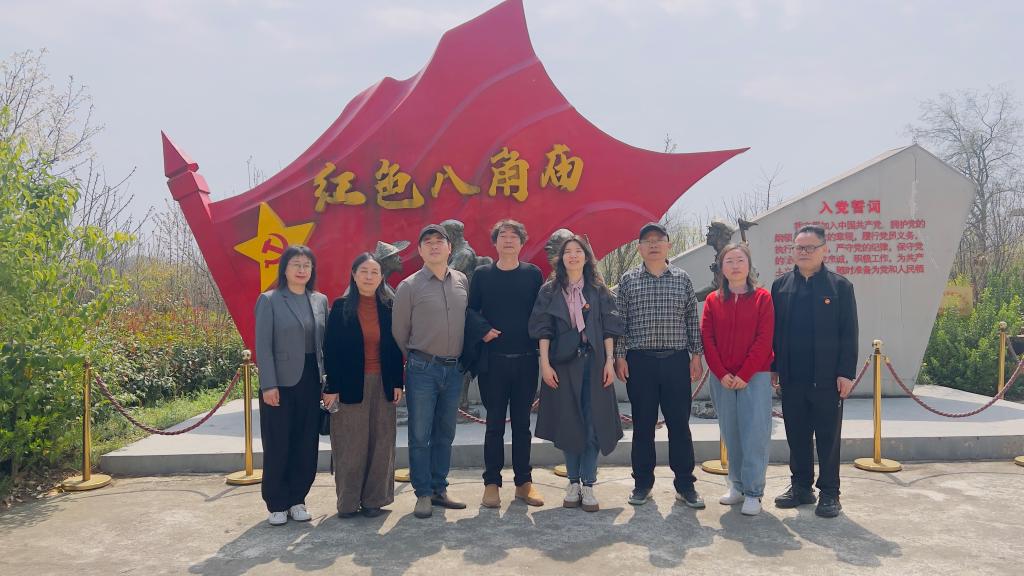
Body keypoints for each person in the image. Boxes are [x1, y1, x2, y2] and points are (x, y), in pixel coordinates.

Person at [614, 222, 706, 510]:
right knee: (643, 426)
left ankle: (685, 485)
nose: (653, 244)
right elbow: (621, 322)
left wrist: (696, 355)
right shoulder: (628, 280)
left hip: (676, 361)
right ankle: (643, 483)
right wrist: (619, 356)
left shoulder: (682, 279)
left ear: (668, 245)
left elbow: (691, 319)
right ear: (639, 248)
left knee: (679, 425)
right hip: (639, 362)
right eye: (647, 241)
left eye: (658, 239)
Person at [529, 235, 624, 512]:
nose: (573, 255)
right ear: (561, 258)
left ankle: (589, 484)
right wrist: (545, 365)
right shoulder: (549, 290)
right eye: (567, 251)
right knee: (568, 423)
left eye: (578, 251)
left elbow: (609, 328)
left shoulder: (598, 290)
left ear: (586, 257)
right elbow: (543, 329)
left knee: (594, 423)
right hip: (562, 364)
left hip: (594, 363)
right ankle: (572, 482)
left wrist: (609, 362)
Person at [771, 224, 858, 518]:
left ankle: (830, 493)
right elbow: (775, 331)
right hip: (792, 376)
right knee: (796, 435)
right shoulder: (781, 286)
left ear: (824, 250)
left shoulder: (839, 287)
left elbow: (849, 333)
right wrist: (774, 367)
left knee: (827, 437)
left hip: (827, 378)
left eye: (810, 247)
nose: (804, 252)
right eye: (799, 248)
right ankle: (801, 487)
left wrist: (846, 373)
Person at [392, 224, 470, 519]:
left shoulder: (461, 280)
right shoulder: (409, 286)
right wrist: (420, 357)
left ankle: (439, 488)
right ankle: (423, 493)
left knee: (445, 433)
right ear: (420, 250)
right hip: (422, 369)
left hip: (454, 370)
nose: (435, 246)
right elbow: (399, 333)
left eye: (440, 241)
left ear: (450, 248)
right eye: (428, 242)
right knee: (420, 434)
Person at [467, 219, 544, 508]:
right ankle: (491, 483)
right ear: (495, 242)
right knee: (494, 425)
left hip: (526, 361)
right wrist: (483, 329)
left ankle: (524, 482)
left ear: (522, 243)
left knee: (522, 425)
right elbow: (470, 310)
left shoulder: (533, 275)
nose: (508, 240)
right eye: (503, 235)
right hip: (493, 363)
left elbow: (542, 312)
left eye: (514, 236)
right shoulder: (482, 275)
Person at [322, 253, 404, 519]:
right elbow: (330, 350)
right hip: (349, 386)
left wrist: (397, 382)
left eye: (374, 272)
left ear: (381, 277)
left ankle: (374, 500)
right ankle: (347, 502)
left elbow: (394, 348)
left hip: (383, 383)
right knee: (351, 444)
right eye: (364, 272)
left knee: (382, 443)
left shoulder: (388, 307)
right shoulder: (341, 307)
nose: (369, 277)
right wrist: (331, 387)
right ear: (354, 275)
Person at [253, 244, 328, 526]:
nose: (301, 270)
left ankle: (298, 499)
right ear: (284, 268)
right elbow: (263, 346)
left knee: (306, 442)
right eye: (296, 264)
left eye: (306, 265)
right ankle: (277, 503)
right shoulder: (270, 300)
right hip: (281, 384)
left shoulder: (320, 300)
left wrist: (327, 382)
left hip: (310, 379)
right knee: (278, 442)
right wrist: (268, 384)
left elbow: (324, 345)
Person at [701, 243, 775, 516]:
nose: (735, 265)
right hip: (722, 378)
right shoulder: (713, 300)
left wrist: (745, 374)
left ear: (749, 264)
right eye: (729, 261)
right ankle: (737, 485)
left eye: (740, 260)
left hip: (754, 376)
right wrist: (721, 373)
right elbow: (707, 338)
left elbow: (764, 339)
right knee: (730, 432)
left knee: (754, 434)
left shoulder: (763, 298)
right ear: (722, 268)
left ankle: (754, 491)